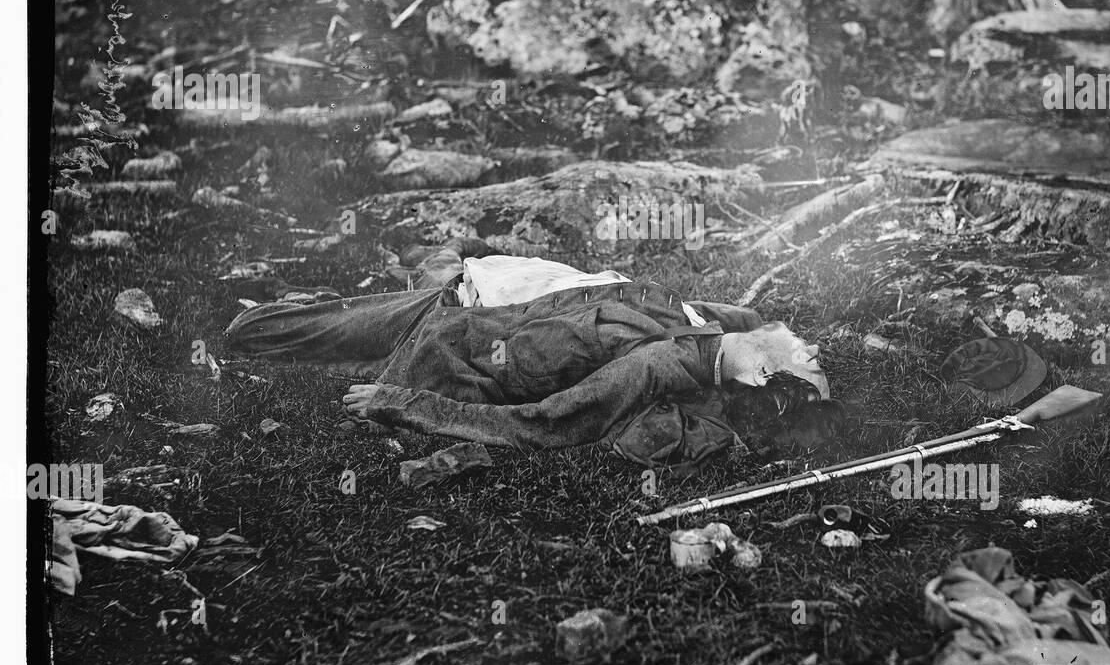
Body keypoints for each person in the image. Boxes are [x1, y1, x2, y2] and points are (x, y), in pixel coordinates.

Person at [223, 240, 830, 454]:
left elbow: (541, 425)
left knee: (264, 337)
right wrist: (784, 347)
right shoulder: (716, 324)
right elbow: (759, 323)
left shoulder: (656, 367)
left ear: (755, 380)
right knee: (269, 328)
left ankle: (300, 310)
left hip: (447, 345)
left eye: (787, 357)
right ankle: (312, 297)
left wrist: (405, 404)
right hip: (483, 290)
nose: (794, 341)